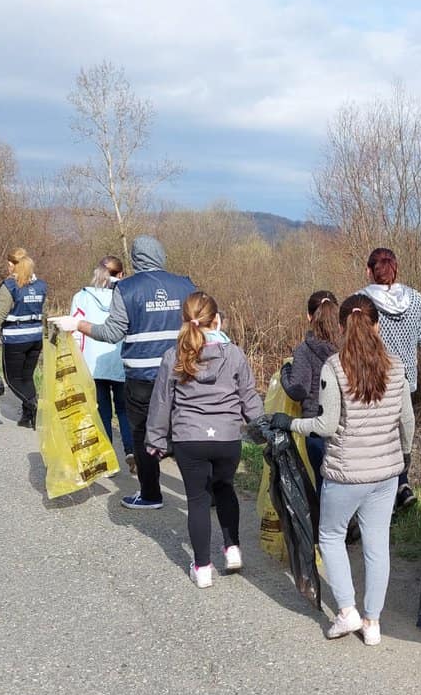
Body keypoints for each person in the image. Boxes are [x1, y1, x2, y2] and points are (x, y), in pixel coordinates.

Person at [272, 294, 414, 646]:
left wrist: (291, 424)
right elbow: (407, 421)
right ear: (377, 324)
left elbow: (326, 424)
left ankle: (347, 610)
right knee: (377, 546)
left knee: (331, 536)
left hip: (345, 473)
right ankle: (373, 622)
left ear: (342, 326)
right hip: (385, 474)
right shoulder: (396, 366)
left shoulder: (334, 367)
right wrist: (403, 455)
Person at [49, 236, 196, 511]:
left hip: (142, 376)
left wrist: (77, 324)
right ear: (162, 256)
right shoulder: (186, 285)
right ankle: (203, 493)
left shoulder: (126, 288)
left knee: (142, 435)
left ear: (136, 260)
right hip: (181, 374)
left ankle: (151, 495)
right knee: (185, 431)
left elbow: (112, 333)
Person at [145, 292, 262, 588]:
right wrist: (261, 429)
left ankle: (203, 568)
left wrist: (156, 439)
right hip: (226, 438)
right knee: (225, 489)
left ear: (184, 321)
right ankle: (232, 548)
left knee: (197, 500)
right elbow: (248, 395)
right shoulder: (234, 354)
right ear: (218, 320)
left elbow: (161, 403)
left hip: (189, 438)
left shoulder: (174, 356)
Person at [360, 247, 421, 510]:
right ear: (396, 270)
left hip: (371, 382)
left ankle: (382, 490)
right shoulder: (415, 299)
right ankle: (402, 481)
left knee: (375, 437)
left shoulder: (361, 302)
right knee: (402, 432)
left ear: (369, 271)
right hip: (403, 382)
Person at [69, 256, 134, 474]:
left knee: (102, 411)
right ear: (121, 275)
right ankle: (131, 450)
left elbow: (74, 331)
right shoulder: (128, 296)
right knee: (125, 410)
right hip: (122, 360)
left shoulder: (81, 297)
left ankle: (107, 457)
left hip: (93, 362)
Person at [0, 248, 46, 428]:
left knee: (12, 380)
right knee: (27, 378)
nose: (7, 268)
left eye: (9, 264)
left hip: (16, 340)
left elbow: (1, 314)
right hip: (36, 338)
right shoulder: (41, 285)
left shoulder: (9, 287)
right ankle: (27, 418)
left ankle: (33, 406)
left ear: (15, 266)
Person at [280, 290, 340, 487]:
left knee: (324, 487)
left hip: (317, 427)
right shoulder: (349, 346)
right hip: (347, 425)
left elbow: (298, 390)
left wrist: (285, 373)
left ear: (309, 316)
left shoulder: (305, 350)